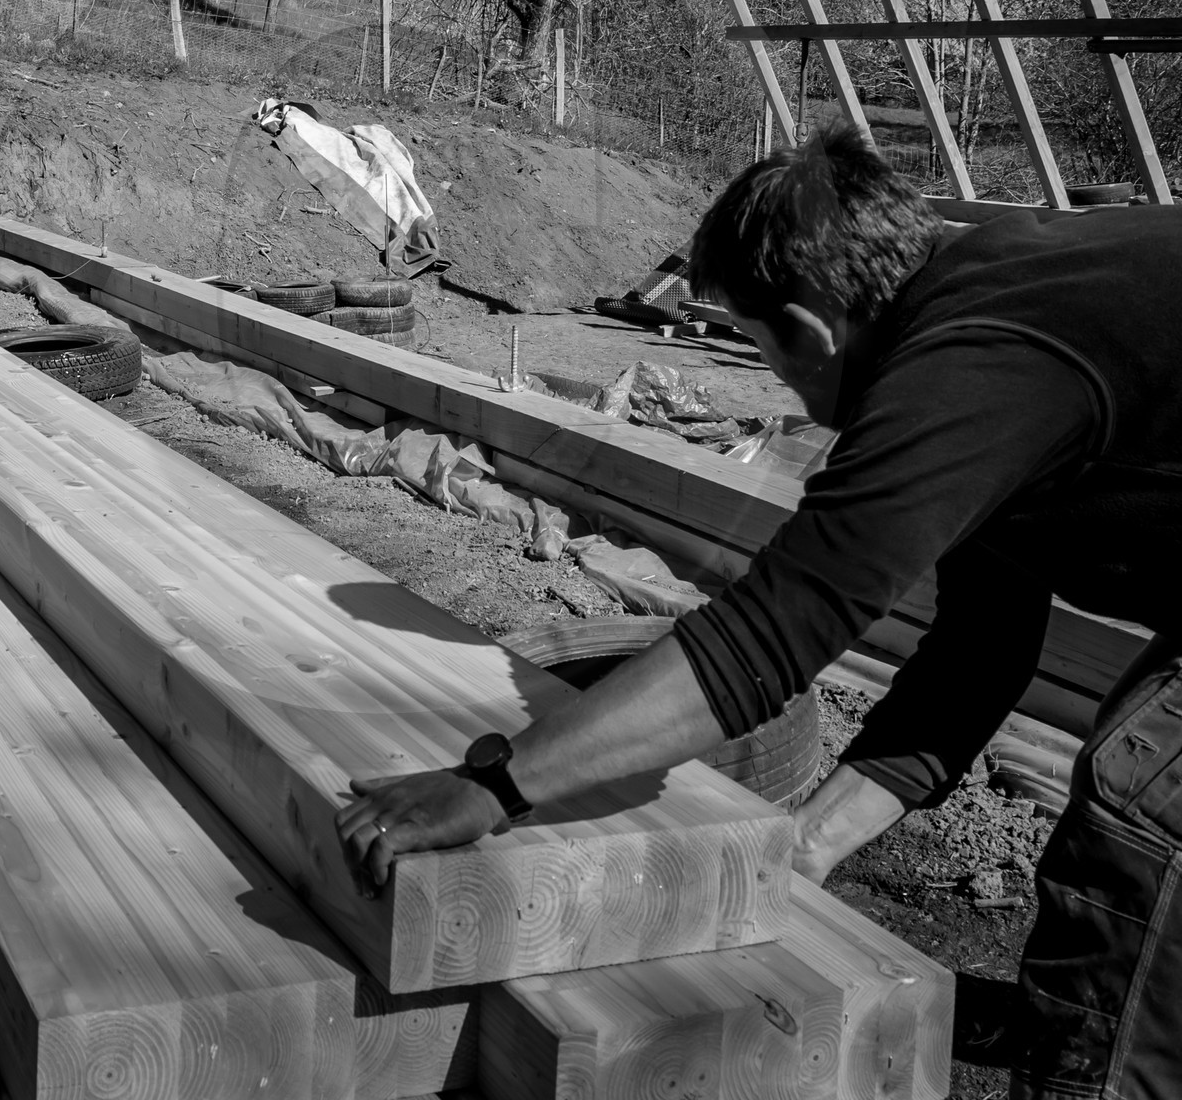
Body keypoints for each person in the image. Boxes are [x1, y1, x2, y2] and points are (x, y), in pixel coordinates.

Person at [337, 125, 1182, 1100]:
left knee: (1138, 806)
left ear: (813, 332)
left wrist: (491, 789)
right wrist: (810, 843)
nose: (781, 386)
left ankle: (1097, 1067)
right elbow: (979, 653)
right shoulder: (998, 308)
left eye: (764, 352)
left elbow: (774, 630)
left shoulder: (967, 367)